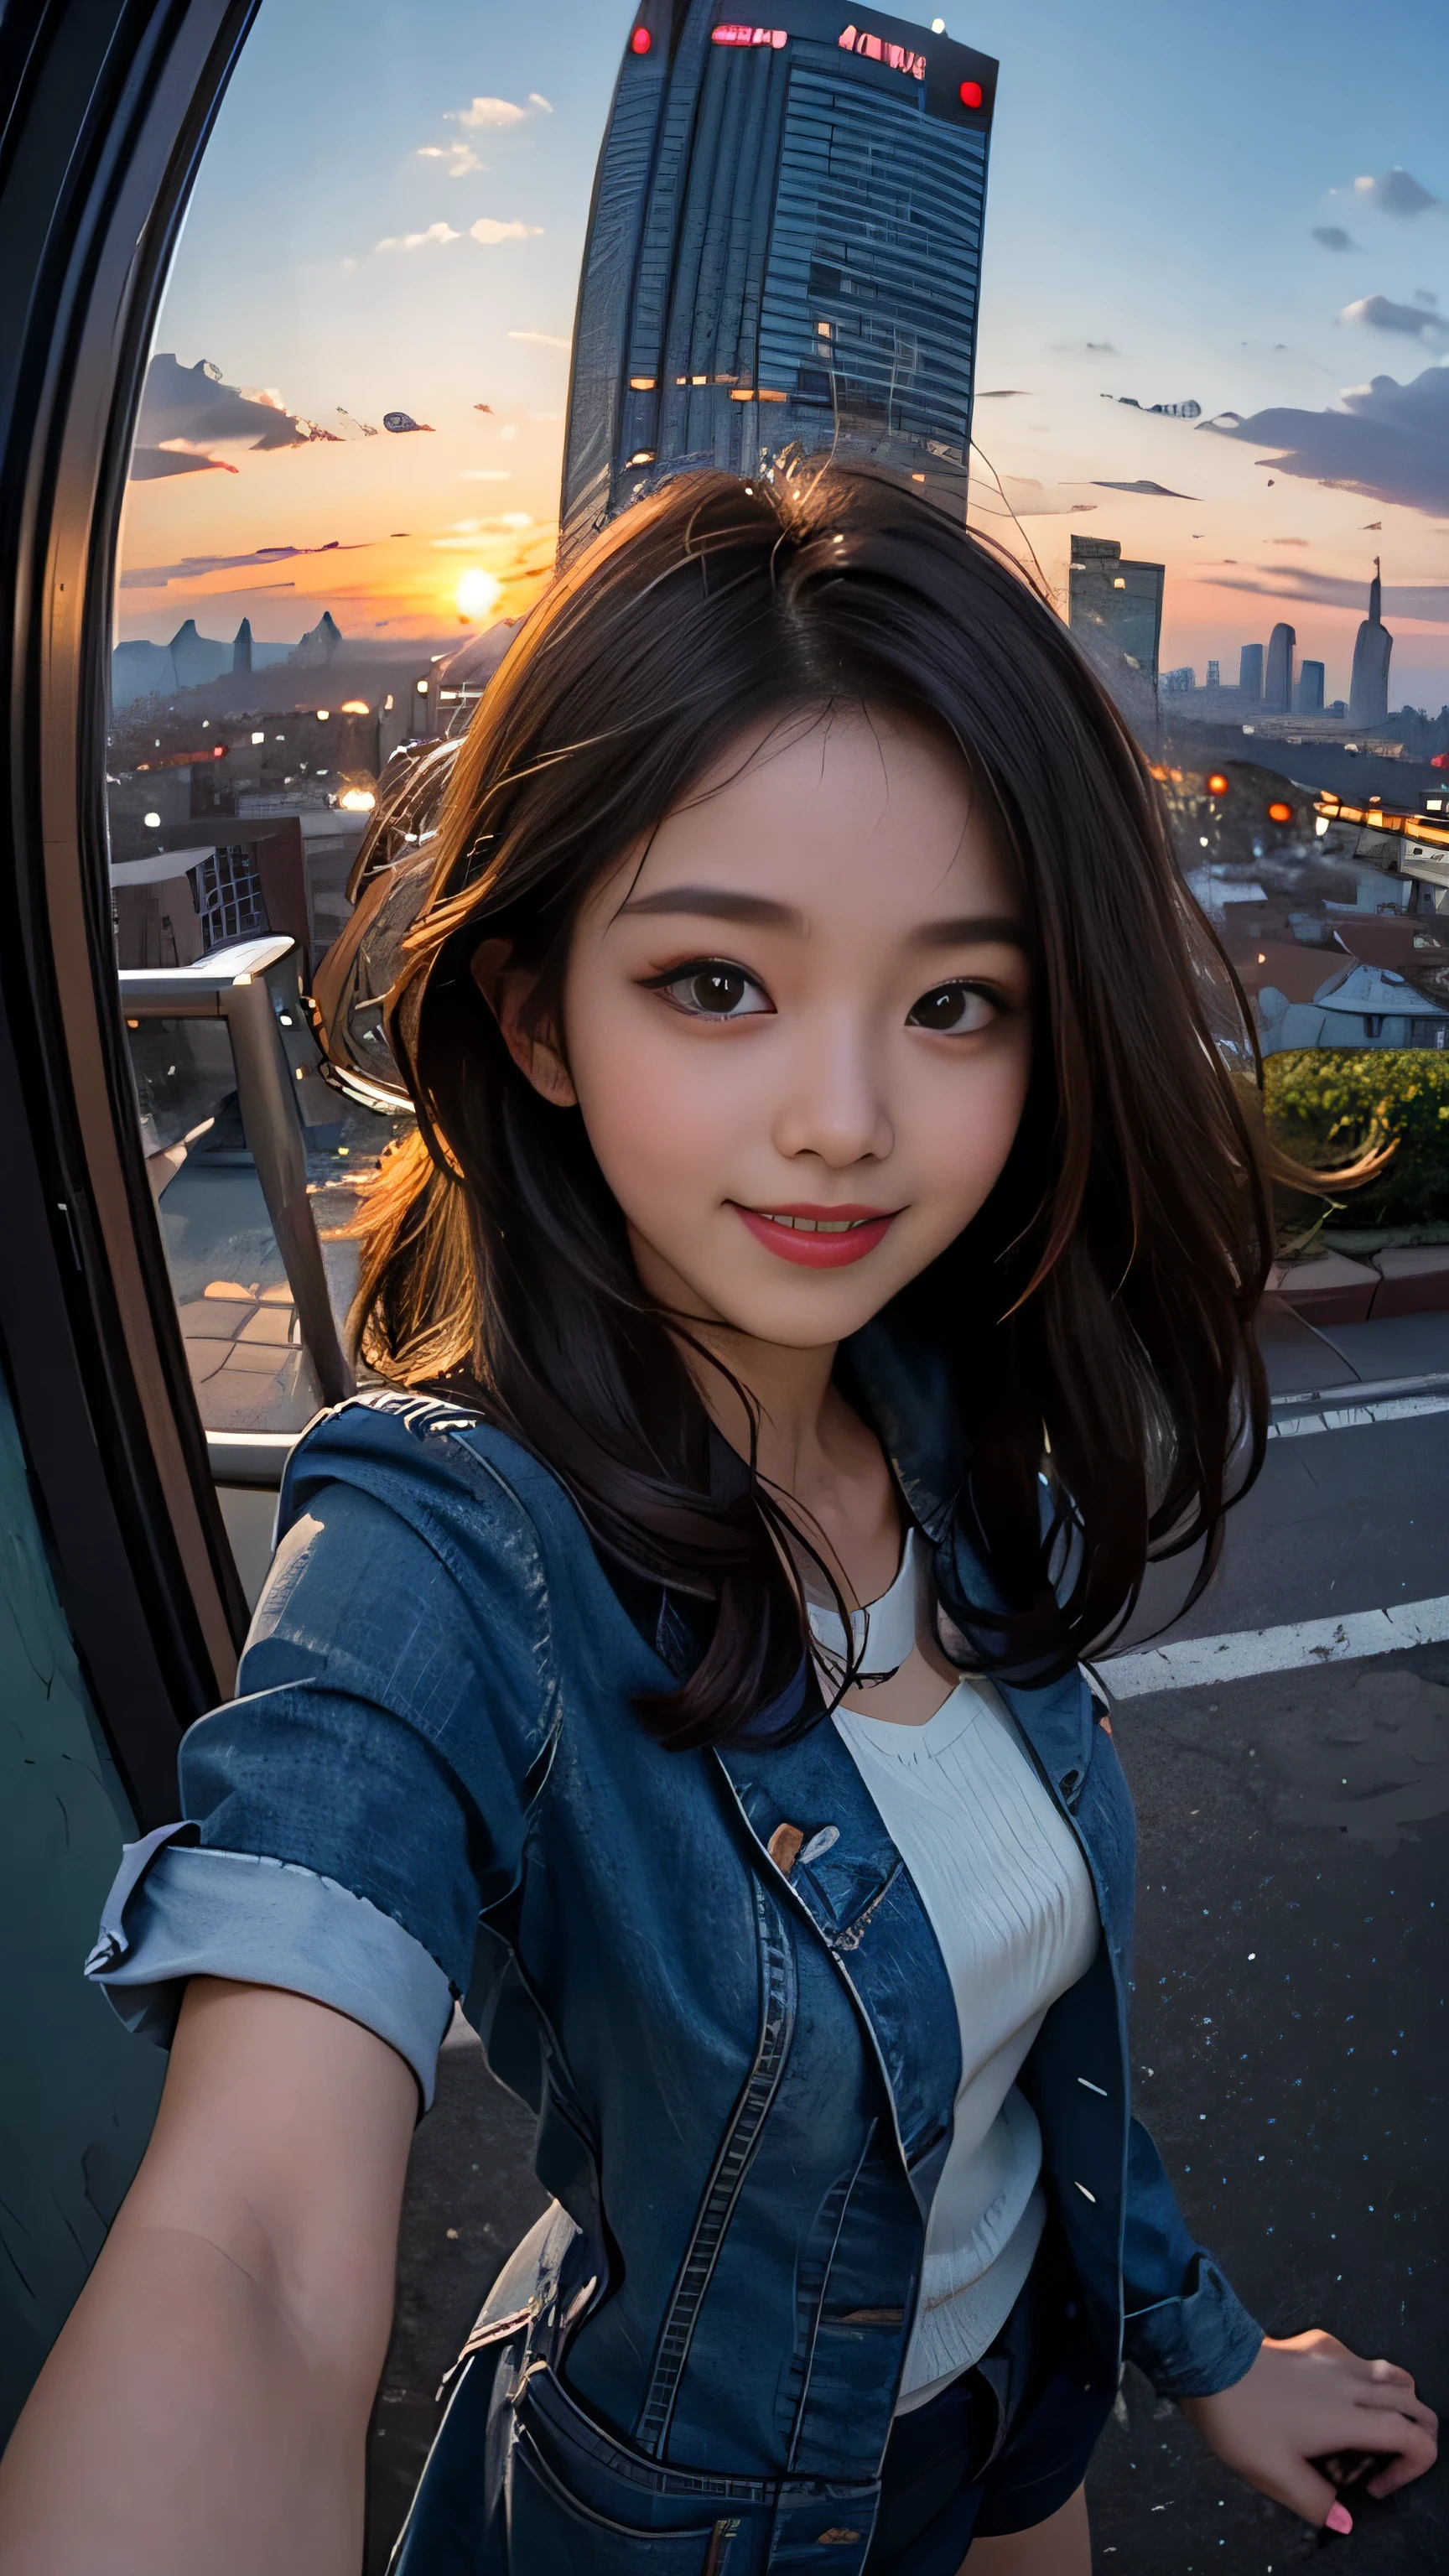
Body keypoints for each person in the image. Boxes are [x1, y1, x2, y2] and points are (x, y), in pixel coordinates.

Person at [0, 470, 1435, 2576]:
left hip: (1015, 2456)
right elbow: (257, 2251)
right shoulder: (443, 1547)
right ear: (534, 1015)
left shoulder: (950, 1429)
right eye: (715, 984)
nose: (846, 1116)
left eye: (957, 1003)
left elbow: (1022, 2096)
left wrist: (1203, 2359)